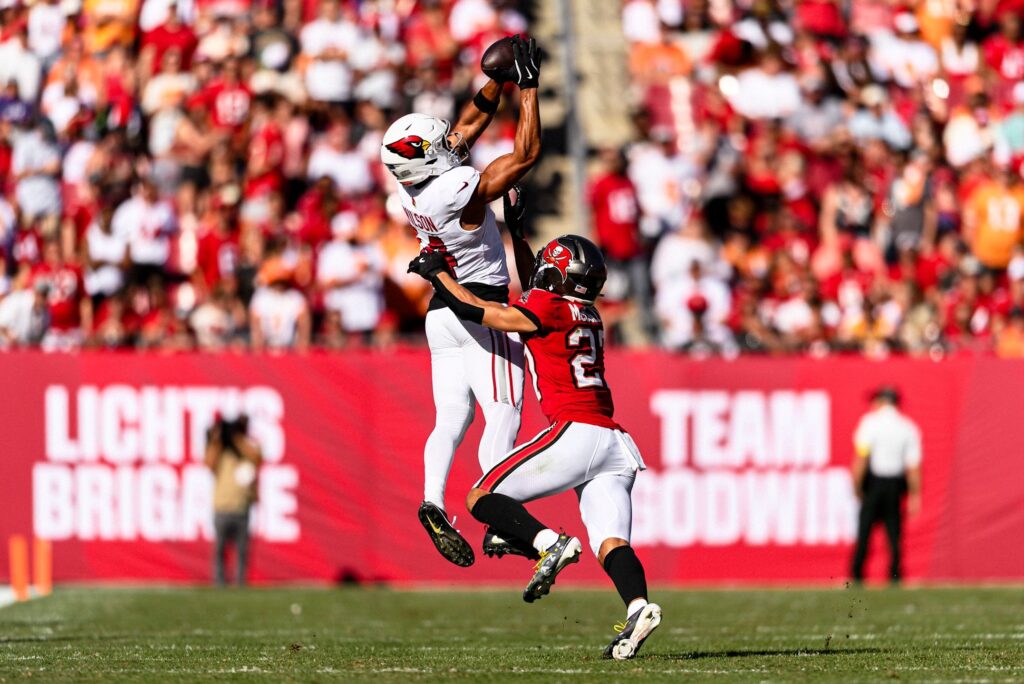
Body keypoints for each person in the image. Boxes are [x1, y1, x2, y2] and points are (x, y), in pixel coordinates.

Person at [407, 219, 661, 660]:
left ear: (557, 276)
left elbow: (485, 312)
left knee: (481, 496)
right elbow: (535, 291)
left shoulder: (551, 306)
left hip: (577, 432)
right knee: (611, 543)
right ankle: (638, 607)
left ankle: (547, 544)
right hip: (615, 443)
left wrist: (438, 275)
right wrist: (518, 234)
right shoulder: (587, 312)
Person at [379, 35, 541, 567]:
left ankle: (432, 500)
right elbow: (525, 155)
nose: (448, 141)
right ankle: (497, 514)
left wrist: (497, 80)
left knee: (450, 417)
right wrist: (528, 87)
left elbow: (462, 132)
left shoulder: (409, 187)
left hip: (440, 313)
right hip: (482, 308)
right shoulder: (456, 190)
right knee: (504, 412)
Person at [850, 385, 923, 584]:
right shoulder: (907, 427)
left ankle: (857, 575)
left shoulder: (870, 423)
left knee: (864, 531)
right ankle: (895, 576)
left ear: (882, 401)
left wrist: (856, 485)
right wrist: (915, 495)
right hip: (895, 485)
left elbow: (862, 457)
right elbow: (913, 467)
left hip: (874, 483)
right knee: (894, 533)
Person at [205, 414, 262, 586]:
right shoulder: (221, 452)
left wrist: (236, 438)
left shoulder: (248, 449)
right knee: (220, 550)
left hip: (242, 508)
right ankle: (219, 583)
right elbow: (208, 463)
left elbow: (257, 458)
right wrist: (218, 440)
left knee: (242, 551)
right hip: (222, 508)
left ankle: (240, 583)